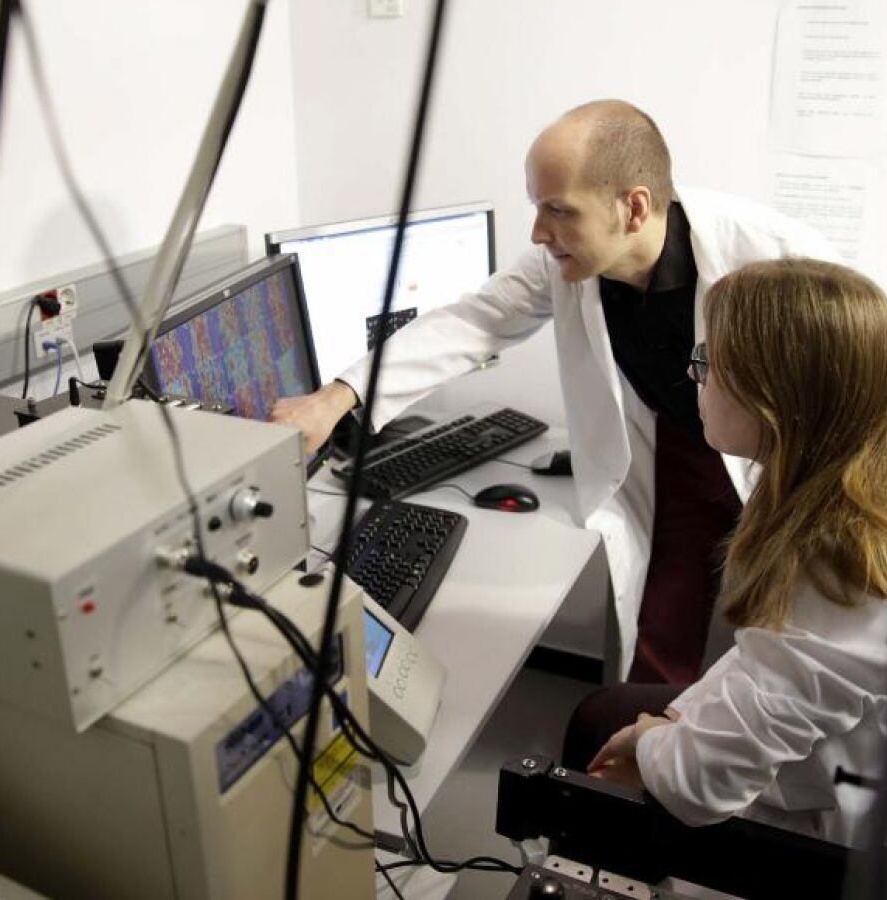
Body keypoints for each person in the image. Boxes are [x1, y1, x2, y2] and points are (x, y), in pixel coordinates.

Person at [270, 100, 838, 683]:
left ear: (634, 208)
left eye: (558, 210)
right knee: (662, 625)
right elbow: (477, 320)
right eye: (538, 207)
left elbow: (860, 385)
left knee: (791, 638)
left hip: (791, 463)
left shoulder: (774, 255)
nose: (539, 233)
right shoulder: (568, 263)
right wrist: (336, 397)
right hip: (678, 454)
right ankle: (644, 731)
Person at [568, 257, 887, 847]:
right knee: (605, 709)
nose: (694, 376)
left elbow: (702, 784)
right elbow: (771, 663)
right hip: (834, 751)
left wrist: (653, 741)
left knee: (602, 735)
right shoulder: (866, 478)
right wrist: (681, 719)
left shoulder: (844, 553)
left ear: (776, 392)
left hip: (848, 834)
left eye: (709, 361)